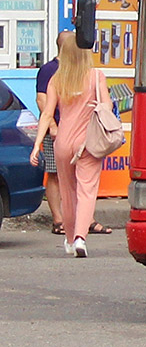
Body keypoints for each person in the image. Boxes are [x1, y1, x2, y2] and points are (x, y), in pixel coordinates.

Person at [28, 35, 113, 257]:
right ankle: (80, 239)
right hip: (88, 142)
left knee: (68, 191)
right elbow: (106, 106)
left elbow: (47, 113)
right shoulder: (96, 76)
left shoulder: (57, 80)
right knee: (87, 190)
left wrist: (37, 145)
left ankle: (68, 238)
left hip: (63, 141)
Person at [34, 31, 71, 235]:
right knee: (55, 174)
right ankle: (58, 220)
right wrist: (53, 127)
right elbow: (42, 100)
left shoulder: (77, 69)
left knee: (77, 175)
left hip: (75, 129)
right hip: (55, 130)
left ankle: (82, 219)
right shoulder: (49, 70)